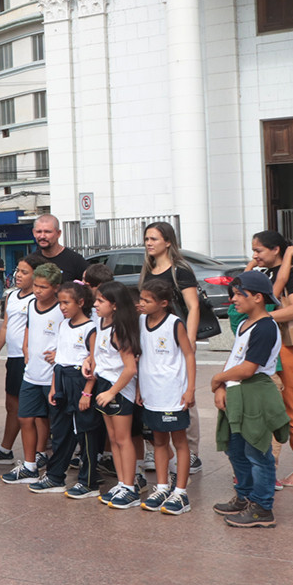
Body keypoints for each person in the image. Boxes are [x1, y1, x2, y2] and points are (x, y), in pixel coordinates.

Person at [211, 271, 288, 528]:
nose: (233, 299)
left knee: (257, 451)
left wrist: (217, 378)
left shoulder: (266, 326)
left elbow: (248, 368)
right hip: (237, 391)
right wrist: (221, 385)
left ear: (257, 297)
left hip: (254, 392)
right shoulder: (245, 324)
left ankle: (263, 507)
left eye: (238, 294)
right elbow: (235, 358)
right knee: (236, 449)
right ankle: (244, 497)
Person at [138, 221, 204, 477]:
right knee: (157, 391)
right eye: (146, 239)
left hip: (177, 336)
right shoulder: (149, 269)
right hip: (153, 341)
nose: (149, 243)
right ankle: (158, 450)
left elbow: (193, 306)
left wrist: (190, 339)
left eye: (154, 238)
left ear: (168, 241)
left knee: (184, 395)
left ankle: (192, 452)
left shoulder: (181, 271)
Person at [249, 230, 293, 488]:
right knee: (270, 410)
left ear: (276, 249)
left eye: (258, 251)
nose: (254, 255)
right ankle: (268, 465)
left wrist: (261, 318)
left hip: (290, 349)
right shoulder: (263, 274)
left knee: (292, 407)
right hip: (268, 351)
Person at [28, 282, 102, 499]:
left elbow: (95, 362)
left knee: (85, 433)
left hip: (80, 380)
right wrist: (53, 387)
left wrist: (87, 391)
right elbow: (59, 360)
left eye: (66, 302)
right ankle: (55, 476)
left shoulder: (90, 328)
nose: (62, 307)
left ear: (81, 302)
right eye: (60, 303)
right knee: (60, 432)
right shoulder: (63, 326)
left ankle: (88, 481)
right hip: (61, 380)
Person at [137, 279, 197, 515]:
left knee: (179, 442)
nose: (141, 304)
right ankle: (162, 487)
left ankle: (181, 493)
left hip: (173, 393)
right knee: (158, 441)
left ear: (163, 303)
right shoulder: (141, 321)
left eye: (146, 300)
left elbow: (189, 356)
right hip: (151, 393)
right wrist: (141, 388)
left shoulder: (174, 324)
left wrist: (190, 388)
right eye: (141, 299)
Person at [3, 263, 65, 485]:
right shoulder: (31, 305)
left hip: (52, 376)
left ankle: (55, 470)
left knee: (56, 425)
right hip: (31, 373)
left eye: (44, 287)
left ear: (56, 287)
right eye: (36, 286)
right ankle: (29, 466)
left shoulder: (62, 309)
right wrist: (26, 349)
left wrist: (59, 352)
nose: (38, 291)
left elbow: (72, 332)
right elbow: (29, 328)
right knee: (25, 417)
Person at [0, 253, 46, 464]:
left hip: (29, 358)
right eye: (17, 271)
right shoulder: (12, 296)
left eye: (24, 272)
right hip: (13, 358)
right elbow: (5, 326)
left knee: (32, 410)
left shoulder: (39, 299)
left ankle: (40, 453)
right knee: (11, 405)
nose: (18, 275)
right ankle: (5, 450)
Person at [92, 280, 143, 510]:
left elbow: (130, 368)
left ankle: (131, 487)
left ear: (114, 305)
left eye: (100, 301)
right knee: (113, 439)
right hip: (105, 385)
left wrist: (112, 392)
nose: (96, 304)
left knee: (123, 439)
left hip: (119, 390)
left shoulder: (119, 330)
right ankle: (122, 483)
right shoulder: (101, 323)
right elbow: (100, 354)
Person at [32, 214, 89, 283]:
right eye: (39, 232)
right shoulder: (30, 261)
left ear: (58, 233)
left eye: (47, 232)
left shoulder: (75, 261)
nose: (42, 236)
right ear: (34, 233)